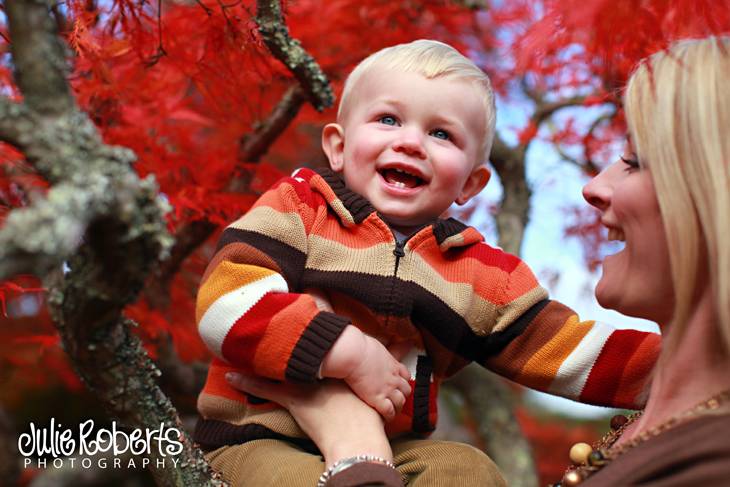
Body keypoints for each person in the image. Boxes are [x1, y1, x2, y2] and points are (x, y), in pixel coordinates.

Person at [226, 36, 730, 486]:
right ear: (336, 146)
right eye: (387, 119)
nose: (409, 141)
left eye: (441, 134)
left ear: (471, 184)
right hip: (262, 430)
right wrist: (345, 352)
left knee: (468, 470)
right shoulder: (299, 209)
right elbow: (229, 296)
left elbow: (563, 348)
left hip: (396, 448)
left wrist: (688, 365)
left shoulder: (480, 272)